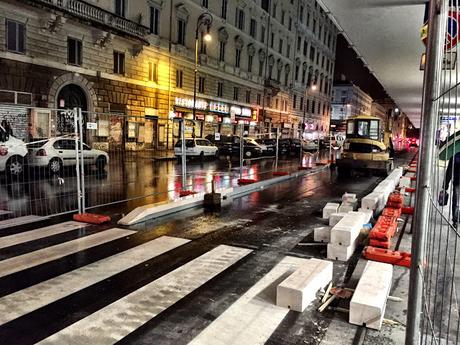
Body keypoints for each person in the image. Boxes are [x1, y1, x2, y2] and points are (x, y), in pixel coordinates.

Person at [442, 152, 460, 227]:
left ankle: (455, 220)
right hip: (457, 183)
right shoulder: (455, 157)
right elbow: (449, 172)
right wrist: (445, 185)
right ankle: (456, 220)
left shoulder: (455, 157)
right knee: (455, 202)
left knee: (455, 202)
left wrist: (445, 186)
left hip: (457, 182)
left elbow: (449, 172)